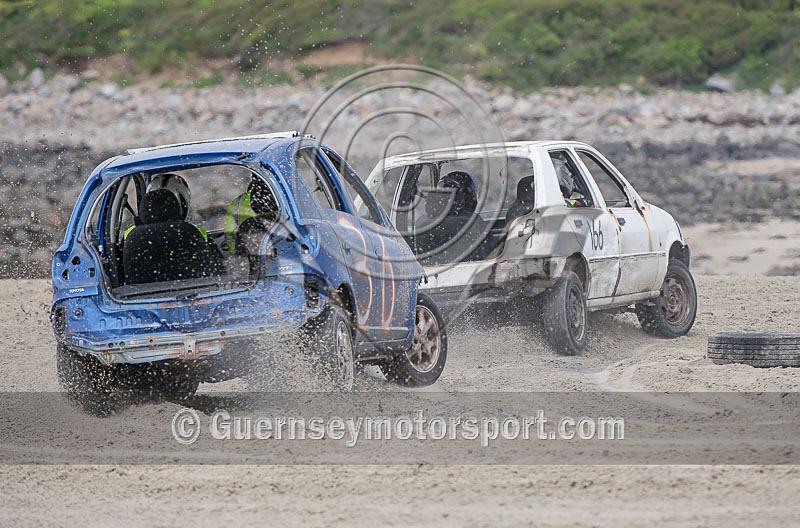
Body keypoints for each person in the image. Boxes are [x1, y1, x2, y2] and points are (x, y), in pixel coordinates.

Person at [224, 176, 280, 256]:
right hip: (279, 254)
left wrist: (237, 253)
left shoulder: (237, 203)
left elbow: (229, 234)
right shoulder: (282, 200)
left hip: (250, 257)